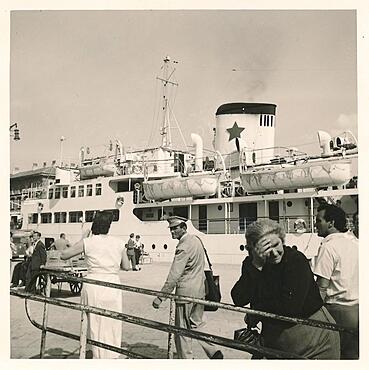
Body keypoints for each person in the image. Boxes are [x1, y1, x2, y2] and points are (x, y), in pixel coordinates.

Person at [231, 219, 340, 359]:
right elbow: (238, 299)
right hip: (278, 340)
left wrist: (256, 311)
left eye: (276, 245)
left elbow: (289, 308)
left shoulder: (296, 261)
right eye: (265, 249)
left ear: (282, 240)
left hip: (314, 338)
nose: (275, 253)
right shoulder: (252, 264)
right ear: (252, 250)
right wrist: (256, 266)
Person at [152, 216, 223, 359]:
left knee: (181, 331)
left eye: (174, 228)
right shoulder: (197, 240)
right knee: (197, 324)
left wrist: (160, 297)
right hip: (200, 291)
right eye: (171, 229)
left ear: (184, 228)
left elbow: (174, 275)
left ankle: (186, 361)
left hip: (185, 294)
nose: (172, 232)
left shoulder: (183, 247)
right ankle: (213, 351)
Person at [61, 211, 126, 359]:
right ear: (109, 226)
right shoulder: (119, 242)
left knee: (95, 323)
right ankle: (112, 355)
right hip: (112, 284)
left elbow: (64, 255)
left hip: (94, 284)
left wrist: (84, 238)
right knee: (113, 321)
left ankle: (98, 355)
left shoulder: (88, 242)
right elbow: (127, 266)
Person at [313, 204, 359, 359]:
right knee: (353, 357)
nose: (315, 224)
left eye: (319, 220)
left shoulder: (329, 247)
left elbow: (322, 288)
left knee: (334, 357)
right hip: (358, 310)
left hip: (337, 312)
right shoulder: (355, 243)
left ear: (331, 223)